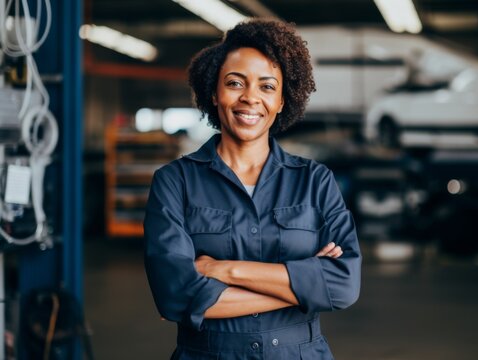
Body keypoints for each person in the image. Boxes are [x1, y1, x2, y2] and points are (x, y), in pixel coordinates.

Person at [144, 18, 361, 360]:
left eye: (267, 87)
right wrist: (306, 287)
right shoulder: (175, 182)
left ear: (281, 101)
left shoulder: (315, 181)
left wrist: (222, 269)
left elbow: (343, 285)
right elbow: (175, 297)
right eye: (235, 83)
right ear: (213, 93)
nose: (250, 98)